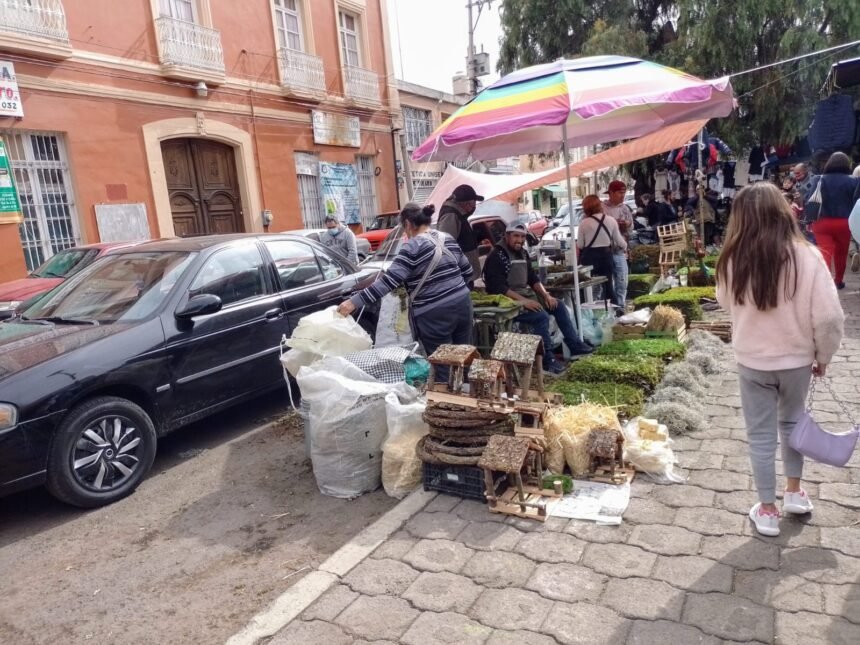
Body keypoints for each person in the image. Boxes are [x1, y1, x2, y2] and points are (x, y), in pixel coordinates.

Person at [716, 182, 844, 538]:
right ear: (783, 211)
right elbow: (831, 318)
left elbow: (726, 303)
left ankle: (767, 510)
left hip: (752, 360)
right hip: (797, 362)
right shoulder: (808, 256)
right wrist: (823, 355)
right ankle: (794, 493)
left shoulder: (731, 258)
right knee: (792, 425)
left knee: (760, 435)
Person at [336, 203, 473, 374]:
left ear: (407, 224)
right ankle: (467, 395)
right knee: (463, 358)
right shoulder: (447, 238)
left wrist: (352, 302)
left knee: (444, 365)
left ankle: (448, 398)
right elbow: (468, 272)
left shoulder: (412, 246)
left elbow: (388, 282)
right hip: (463, 304)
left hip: (435, 314)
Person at [483, 222, 593, 375]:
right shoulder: (497, 256)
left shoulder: (523, 252)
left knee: (558, 305)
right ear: (507, 236)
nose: (520, 240)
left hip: (524, 295)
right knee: (541, 317)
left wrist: (546, 295)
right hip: (506, 301)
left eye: (522, 237)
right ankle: (548, 360)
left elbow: (533, 279)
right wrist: (523, 301)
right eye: (516, 236)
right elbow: (498, 287)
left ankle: (574, 346)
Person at [805, 152, 860, 289]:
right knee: (841, 252)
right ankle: (838, 281)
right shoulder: (854, 181)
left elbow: (807, 198)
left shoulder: (818, 179)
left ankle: (825, 282)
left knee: (825, 251)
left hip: (822, 222)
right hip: (844, 222)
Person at [576, 194, 626, 306]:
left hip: (589, 258)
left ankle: (587, 310)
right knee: (608, 287)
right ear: (599, 205)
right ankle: (615, 311)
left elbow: (580, 245)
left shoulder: (584, 223)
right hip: (605, 257)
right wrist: (626, 247)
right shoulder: (611, 220)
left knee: (587, 288)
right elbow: (619, 241)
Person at [437, 184, 483, 285]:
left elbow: (461, 241)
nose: (474, 207)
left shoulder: (458, 215)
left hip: (464, 276)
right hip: (460, 278)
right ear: (467, 204)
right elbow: (446, 247)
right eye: (473, 203)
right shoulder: (451, 215)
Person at [602, 180, 634, 308]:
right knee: (607, 283)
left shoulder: (625, 208)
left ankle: (620, 307)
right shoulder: (601, 208)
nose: (623, 196)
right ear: (611, 193)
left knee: (622, 281)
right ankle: (608, 308)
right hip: (605, 252)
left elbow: (631, 229)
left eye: (624, 193)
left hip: (620, 251)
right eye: (620, 193)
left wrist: (627, 225)